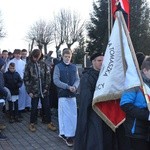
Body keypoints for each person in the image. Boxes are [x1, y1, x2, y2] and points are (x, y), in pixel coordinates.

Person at [74, 52, 104, 150]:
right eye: (99, 60)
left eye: (103, 60)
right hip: (93, 113)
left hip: (105, 113)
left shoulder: (105, 75)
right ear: (93, 62)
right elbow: (86, 99)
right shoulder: (87, 77)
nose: (102, 62)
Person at [120, 56, 150, 150]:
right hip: (136, 130)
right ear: (145, 70)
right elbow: (125, 104)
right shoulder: (134, 83)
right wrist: (147, 115)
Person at [24, 49, 56, 132]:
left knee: (47, 106)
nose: (36, 59)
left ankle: (49, 122)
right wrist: (29, 91)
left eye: (37, 57)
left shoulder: (44, 64)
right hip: (34, 90)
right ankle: (32, 123)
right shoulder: (28, 65)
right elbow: (26, 79)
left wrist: (46, 88)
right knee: (34, 107)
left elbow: (48, 77)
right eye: (34, 57)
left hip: (44, 90)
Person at [53, 48, 80, 147]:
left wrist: (75, 87)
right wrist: (67, 87)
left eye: (69, 56)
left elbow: (77, 79)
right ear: (62, 57)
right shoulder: (58, 67)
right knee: (65, 115)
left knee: (73, 115)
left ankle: (71, 133)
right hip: (63, 94)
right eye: (66, 56)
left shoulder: (74, 67)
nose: (67, 58)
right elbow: (56, 80)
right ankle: (67, 135)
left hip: (72, 94)